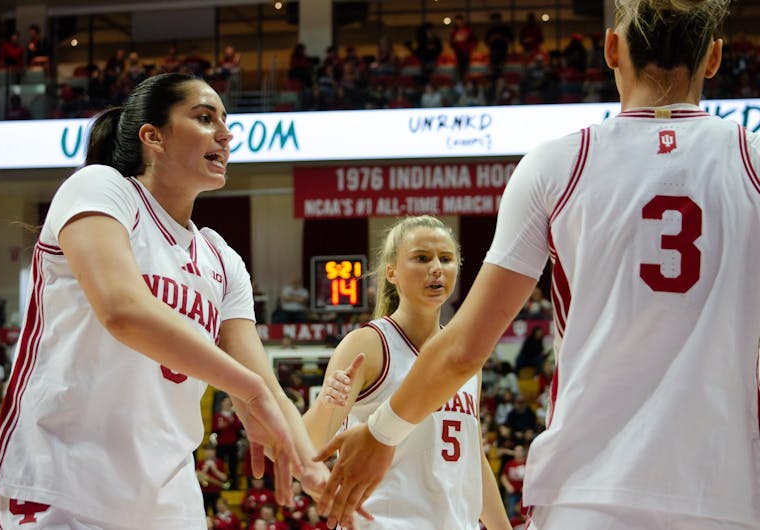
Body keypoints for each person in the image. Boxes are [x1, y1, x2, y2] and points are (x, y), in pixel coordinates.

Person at [315, 1, 760, 529]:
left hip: (586, 495)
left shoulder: (558, 164)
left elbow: (462, 350)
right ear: (713, 58)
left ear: (611, 49)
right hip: (726, 493)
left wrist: (382, 432)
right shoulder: (753, 161)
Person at [0, 72, 332, 529]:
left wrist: (314, 469)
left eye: (226, 122)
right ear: (152, 136)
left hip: (168, 501)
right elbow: (123, 311)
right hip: (61, 484)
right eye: (204, 118)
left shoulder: (222, 259)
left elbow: (264, 384)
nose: (225, 134)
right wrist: (248, 388)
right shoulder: (101, 189)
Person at [304, 216, 510, 529]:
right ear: (392, 272)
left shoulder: (464, 357)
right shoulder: (368, 344)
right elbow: (308, 446)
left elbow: (474, 460)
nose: (437, 268)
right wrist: (325, 404)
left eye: (446, 258)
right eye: (422, 258)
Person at [449, 14, 478, 81]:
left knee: (465, 69)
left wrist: (470, 48)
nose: (458, 22)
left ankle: (464, 82)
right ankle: (459, 83)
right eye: (457, 21)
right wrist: (454, 43)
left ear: (462, 21)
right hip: (458, 53)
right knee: (459, 69)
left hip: (466, 53)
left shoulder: (468, 31)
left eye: (459, 21)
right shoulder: (454, 32)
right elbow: (451, 43)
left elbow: (474, 41)